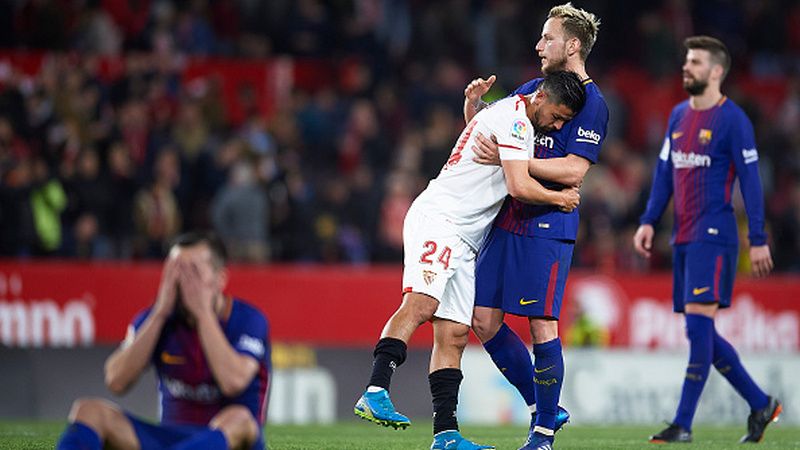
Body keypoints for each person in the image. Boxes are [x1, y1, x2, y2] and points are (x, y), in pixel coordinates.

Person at [354, 70, 586, 450]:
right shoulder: (515, 120)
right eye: (557, 115)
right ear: (541, 97)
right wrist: (560, 198)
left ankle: (446, 434)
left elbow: (483, 138)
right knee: (421, 303)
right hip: (441, 220)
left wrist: (472, 107)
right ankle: (376, 388)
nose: (557, 125)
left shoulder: (504, 114)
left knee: (455, 334)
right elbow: (519, 186)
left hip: (465, 238)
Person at [463, 3, 607, 450]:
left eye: (548, 37)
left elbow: (574, 171)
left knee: (542, 325)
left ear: (573, 44)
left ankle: (542, 434)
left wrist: (518, 163)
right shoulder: (534, 89)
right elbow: (485, 138)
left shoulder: (592, 103)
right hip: (507, 215)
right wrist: (472, 108)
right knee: (481, 319)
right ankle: (546, 407)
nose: (539, 44)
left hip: (547, 223)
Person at [633, 35, 781, 444]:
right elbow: (664, 172)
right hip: (683, 237)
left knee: (699, 329)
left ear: (716, 71)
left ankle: (682, 423)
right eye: (686, 60)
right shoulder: (678, 116)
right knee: (699, 333)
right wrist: (648, 220)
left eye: (695, 62)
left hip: (714, 235)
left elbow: (751, 181)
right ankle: (760, 404)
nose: (686, 67)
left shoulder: (733, 120)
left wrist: (758, 235)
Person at [56, 231, 271, 450]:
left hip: (227, 440)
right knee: (89, 411)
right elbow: (115, 380)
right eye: (176, 270)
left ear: (220, 279)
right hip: (169, 439)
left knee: (239, 418)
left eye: (193, 272)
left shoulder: (248, 319)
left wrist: (203, 315)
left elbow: (233, 381)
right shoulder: (157, 319)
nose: (183, 281)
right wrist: (159, 312)